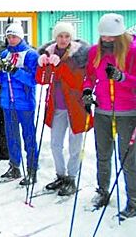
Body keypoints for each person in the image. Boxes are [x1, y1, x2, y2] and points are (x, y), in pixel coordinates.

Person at [82, 13, 136, 219]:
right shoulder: (95, 51)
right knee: (102, 154)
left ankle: (133, 200)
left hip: (128, 111)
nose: (106, 40)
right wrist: (87, 91)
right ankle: (102, 191)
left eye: (111, 36)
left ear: (120, 35)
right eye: (103, 36)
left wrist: (122, 77)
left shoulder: (132, 51)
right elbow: (90, 75)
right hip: (103, 109)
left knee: (128, 159)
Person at [37, 22, 90, 196]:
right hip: (57, 106)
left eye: (67, 36)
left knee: (74, 146)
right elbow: (42, 80)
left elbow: (76, 82)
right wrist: (42, 64)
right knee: (55, 144)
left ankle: (72, 178)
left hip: (75, 108)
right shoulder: (49, 52)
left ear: (71, 38)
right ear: (55, 37)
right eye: (60, 36)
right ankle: (60, 175)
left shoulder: (79, 55)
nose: (63, 39)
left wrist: (60, 66)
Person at [0, 22, 39, 185]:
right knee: (11, 136)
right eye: (9, 37)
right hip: (7, 101)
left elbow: (34, 79)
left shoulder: (31, 54)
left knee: (28, 136)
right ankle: (14, 166)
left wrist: (15, 71)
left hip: (25, 103)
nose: (11, 40)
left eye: (14, 37)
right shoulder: (5, 53)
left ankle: (32, 169)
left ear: (21, 37)